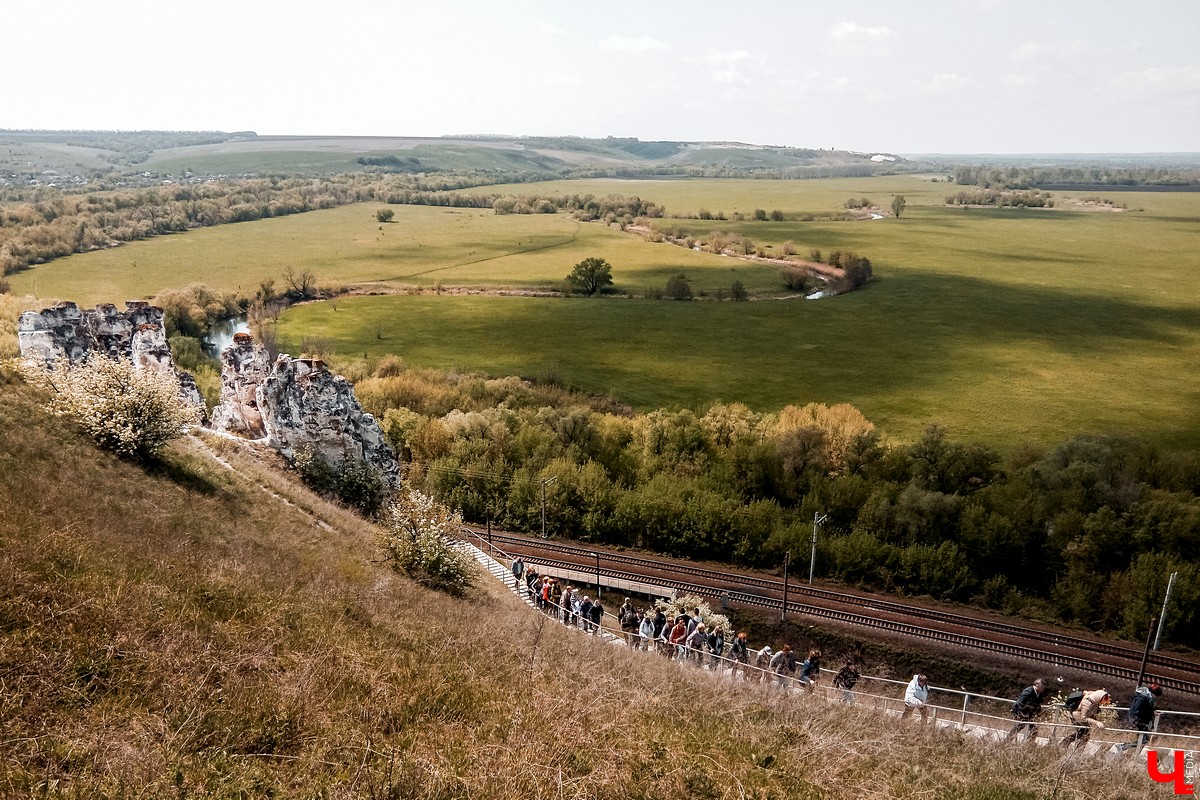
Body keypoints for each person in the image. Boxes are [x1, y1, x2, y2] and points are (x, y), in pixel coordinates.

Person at [1117, 684, 1163, 752]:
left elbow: (1146, 708)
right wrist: (1137, 720)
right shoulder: (1142, 698)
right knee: (1144, 740)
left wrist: (1152, 712)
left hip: (1141, 721)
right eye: (1155, 695)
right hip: (1138, 720)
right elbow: (1138, 709)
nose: (1155, 697)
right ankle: (1123, 747)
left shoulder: (1146, 698)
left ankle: (1125, 748)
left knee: (1143, 739)